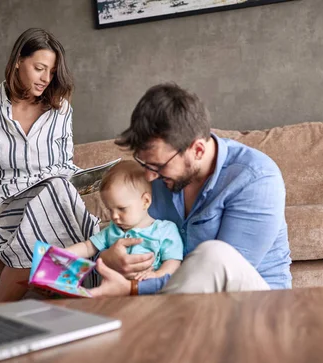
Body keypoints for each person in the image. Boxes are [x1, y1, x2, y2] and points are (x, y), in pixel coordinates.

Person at [89, 83, 292, 298]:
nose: (149, 176)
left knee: (214, 254)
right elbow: (118, 235)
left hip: (254, 304)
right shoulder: (158, 175)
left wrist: (133, 288)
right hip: (178, 302)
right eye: (145, 164)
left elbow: (218, 274)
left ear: (198, 150)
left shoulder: (255, 178)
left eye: (159, 165)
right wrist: (109, 258)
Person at [0, 28, 99, 302]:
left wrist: (93, 179)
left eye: (52, 71)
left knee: (60, 188)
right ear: (17, 63)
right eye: (39, 68)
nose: (47, 79)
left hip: (55, 199)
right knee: (67, 203)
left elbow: (65, 165)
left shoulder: (61, 108)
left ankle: (2, 305)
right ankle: (91, 304)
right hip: (7, 207)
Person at [65, 160, 184, 285]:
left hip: (150, 290)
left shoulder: (165, 230)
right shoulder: (112, 230)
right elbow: (87, 246)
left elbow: (173, 261)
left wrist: (157, 275)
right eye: (110, 209)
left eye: (121, 209)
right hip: (114, 293)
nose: (114, 216)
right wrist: (58, 254)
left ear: (145, 201)